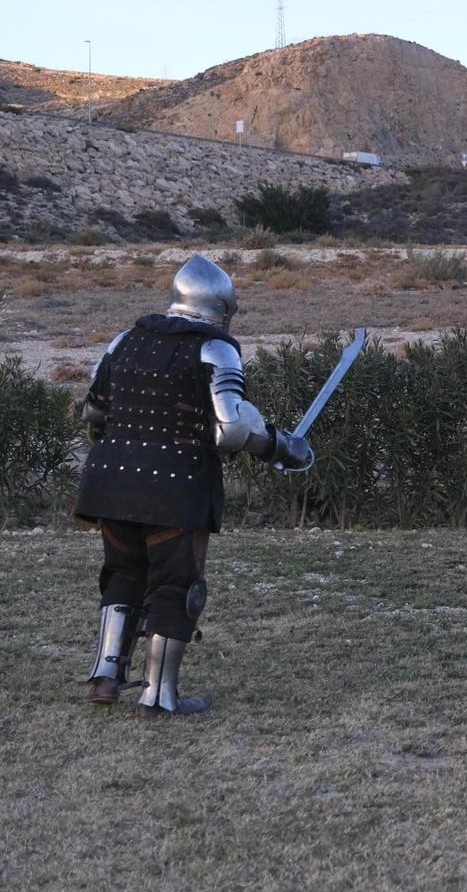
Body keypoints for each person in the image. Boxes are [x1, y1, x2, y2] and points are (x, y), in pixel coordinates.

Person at [75, 255, 311, 716]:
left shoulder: (126, 339)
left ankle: (105, 676)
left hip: (110, 479)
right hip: (174, 488)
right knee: (177, 586)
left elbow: (93, 412)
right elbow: (232, 432)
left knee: (123, 574)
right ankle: (159, 697)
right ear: (221, 304)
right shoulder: (215, 349)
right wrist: (284, 447)